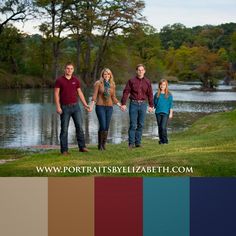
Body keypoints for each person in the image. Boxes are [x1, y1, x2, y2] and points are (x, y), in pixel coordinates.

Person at [54, 62, 89, 155]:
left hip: (76, 107)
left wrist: (85, 104)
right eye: (68, 68)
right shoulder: (59, 80)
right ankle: (64, 150)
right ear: (65, 69)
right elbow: (56, 94)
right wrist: (58, 106)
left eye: (71, 69)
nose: (69, 70)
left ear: (73, 70)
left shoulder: (76, 80)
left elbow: (80, 93)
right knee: (64, 129)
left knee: (80, 127)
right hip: (64, 108)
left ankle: (82, 147)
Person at [121, 64, 154, 148]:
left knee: (141, 124)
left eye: (142, 70)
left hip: (143, 104)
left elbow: (150, 94)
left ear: (144, 71)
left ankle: (138, 143)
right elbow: (126, 92)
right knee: (133, 124)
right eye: (139, 70)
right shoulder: (131, 81)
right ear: (136, 71)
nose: (140, 71)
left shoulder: (147, 82)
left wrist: (151, 105)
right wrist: (123, 103)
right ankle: (131, 143)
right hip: (133, 104)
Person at [89, 68, 121, 150]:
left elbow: (113, 97)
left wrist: (120, 105)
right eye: (105, 74)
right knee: (102, 125)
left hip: (109, 107)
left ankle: (103, 145)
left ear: (110, 75)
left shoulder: (112, 84)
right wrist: (91, 106)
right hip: (100, 106)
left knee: (106, 126)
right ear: (102, 75)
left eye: (108, 74)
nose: (107, 76)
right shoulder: (98, 83)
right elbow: (95, 96)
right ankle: (100, 145)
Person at [154, 79, 173, 144]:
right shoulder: (157, 94)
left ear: (166, 86)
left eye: (164, 85)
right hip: (158, 112)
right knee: (159, 127)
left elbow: (171, 105)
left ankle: (165, 140)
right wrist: (151, 108)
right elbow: (154, 104)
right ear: (159, 85)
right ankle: (161, 140)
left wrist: (171, 113)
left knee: (163, 127)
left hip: (166, 113)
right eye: (161, 85)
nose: (162, 86)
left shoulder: (169, 94)